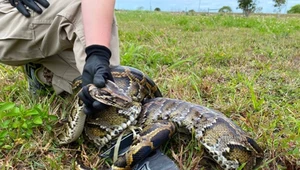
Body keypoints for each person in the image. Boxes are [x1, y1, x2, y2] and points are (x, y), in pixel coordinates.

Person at [0, 0, 179, 169]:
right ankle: (120, 141)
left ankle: (41, 73)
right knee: (80, 9)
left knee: (90, 75)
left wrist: (97, 54)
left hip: (43, 12)